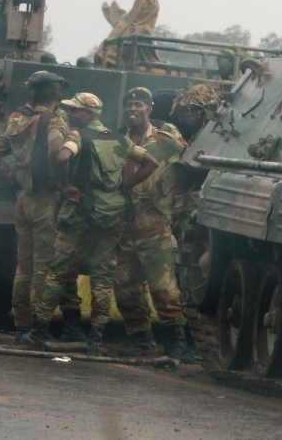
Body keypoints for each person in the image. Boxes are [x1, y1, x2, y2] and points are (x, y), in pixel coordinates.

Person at [22, 92, 158, 355]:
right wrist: (124, 186)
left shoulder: (78, 136)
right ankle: (95, 340)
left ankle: (38, 331)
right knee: (103, 277)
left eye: (75, 111)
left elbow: (63, 157)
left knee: (58, 272)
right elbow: (150, 162)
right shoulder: (119, 139)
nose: (71, 115)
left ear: (89, 114)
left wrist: (65, 186)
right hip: (113, 214)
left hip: (80, 215)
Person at [0, 71, 86, 344]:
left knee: (24, 267)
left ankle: (21, 324)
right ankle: (36, 328)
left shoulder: (18, 118)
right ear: (58, 95)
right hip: (44, 199)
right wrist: (64, 185)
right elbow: (56, 151)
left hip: (23, 198)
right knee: (44, 266)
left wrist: (14, 173)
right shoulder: (54, 120)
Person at [113, 88, 199, 361]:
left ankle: (176, 342)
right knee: (125, 284)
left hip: (155, 219)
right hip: (124, 221)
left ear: (149, 108)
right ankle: (139, 338)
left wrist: (180, 205)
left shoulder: (166, 138)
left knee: (163, 286)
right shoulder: (118, 141)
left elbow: (190, 165)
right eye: (128, 105)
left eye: (138, 105)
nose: (132, 110)